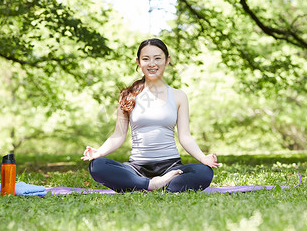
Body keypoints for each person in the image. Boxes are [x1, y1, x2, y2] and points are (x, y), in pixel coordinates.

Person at [81, 38, 221, 192]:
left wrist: (203, 158)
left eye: (157, 58)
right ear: (138, 62)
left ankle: (151, 185)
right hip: (136, 168)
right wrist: (98, 152)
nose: (152, 63)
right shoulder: (127, 96)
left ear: (167, 60)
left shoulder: (179, 96)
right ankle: (152, 185)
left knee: (204, 172)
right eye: (146, 59)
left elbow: (185, 137)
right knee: (97, 166)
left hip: (171, 167)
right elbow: (118, 136)